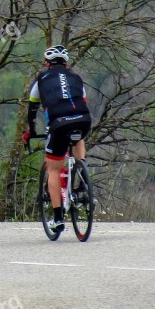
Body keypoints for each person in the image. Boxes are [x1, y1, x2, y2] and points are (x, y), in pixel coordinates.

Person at [22, 45, 91, 232]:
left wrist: (31, 131)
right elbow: (82, 102)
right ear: (66, 63)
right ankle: (82, 170)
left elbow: (32, 111)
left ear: (47, 63)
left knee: (53, 169)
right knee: (78, 136)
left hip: (59, 124)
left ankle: (58, 217)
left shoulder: (41, 80)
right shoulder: (76, 78)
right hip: (84, 120)